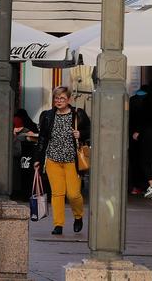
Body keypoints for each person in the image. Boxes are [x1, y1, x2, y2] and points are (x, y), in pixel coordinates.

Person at [37, 85, 90, 236]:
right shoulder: (47, 115)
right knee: (57, 193)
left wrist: (81, 134)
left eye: (62, 98)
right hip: (53, 159)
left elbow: (90, 130)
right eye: (56, 98)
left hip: (72, 160)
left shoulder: (77, 114)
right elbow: (42, 139)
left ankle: (78, 216)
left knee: (73, 195)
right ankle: (58, 224)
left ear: (69, 99)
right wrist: (38, 159)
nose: (59, 101)